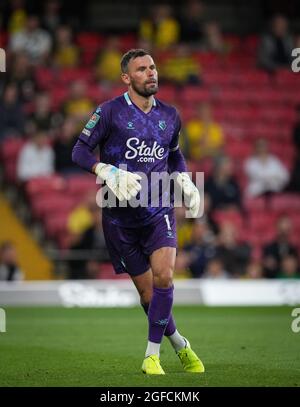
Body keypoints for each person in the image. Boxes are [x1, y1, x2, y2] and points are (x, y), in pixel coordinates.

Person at [72, 49, 204, 375]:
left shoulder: (171, 116)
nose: (151, 73)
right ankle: (180, 344)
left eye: (153, 67)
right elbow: (78, 151)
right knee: (148, 293)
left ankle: (151, 356)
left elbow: (174, 155)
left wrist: (185, 182)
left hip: (159, 208)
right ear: (127, 78)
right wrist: (107, 171)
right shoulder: (108, 113)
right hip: (119, 216)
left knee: (165, 276)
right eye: (142, 69)